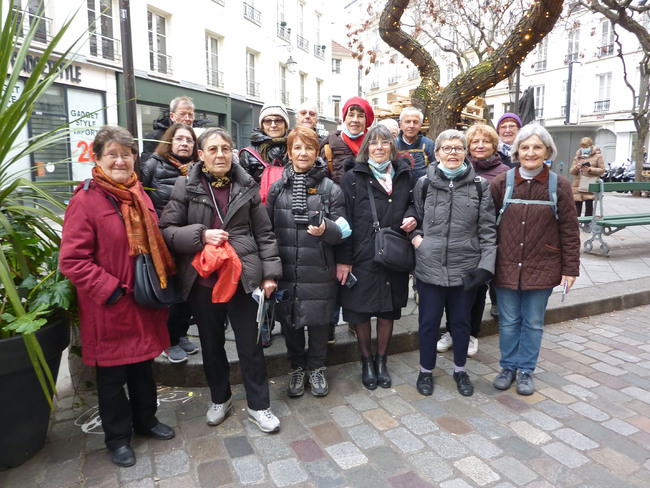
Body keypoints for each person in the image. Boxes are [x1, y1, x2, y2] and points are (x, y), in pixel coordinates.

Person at [59, 126, 176, 467]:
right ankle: (118, 438)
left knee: (143, 369)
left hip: (142, 303)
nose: (120, 160)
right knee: (112, 380)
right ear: (96, 157)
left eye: (126, 154)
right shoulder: (84, 201)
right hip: (109, 307)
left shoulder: (138, 193)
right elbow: (72, 261)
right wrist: (108, 290)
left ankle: (146, 421)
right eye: (112, 154)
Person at [159, 127, 282, 433]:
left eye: (225, 149)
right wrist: (200, 235)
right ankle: (220, 398)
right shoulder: (184, 186)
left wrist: (269, 274)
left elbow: (265, 234)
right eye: (212, 149)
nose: (219, 155)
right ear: (200, 155)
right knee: (212, 345)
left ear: (233, 152)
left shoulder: (247, 186)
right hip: (203, 281)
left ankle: (259, 406)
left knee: (250, 345)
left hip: (241, 278)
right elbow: (167, 232)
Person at [490, 124, 580, 396]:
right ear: (517, 151)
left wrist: (570, 269)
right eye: (525, 147)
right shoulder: (501, 183)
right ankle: (508, 367)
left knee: (532, 322)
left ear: (547, 151)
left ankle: (526, 370)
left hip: (543, 266)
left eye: (537, 147)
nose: (530, 152)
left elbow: (569, 229)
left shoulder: (559, 185)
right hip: (505, 266)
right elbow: (487, 226)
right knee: (507, 322)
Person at [411, 130, 496, 398]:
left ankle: (460, 370)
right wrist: (416, 240)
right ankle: (426, 371)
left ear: (465, 152)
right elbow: (413, 216)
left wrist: (485, 266)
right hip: (429, 266)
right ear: (436, 154)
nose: (452, 153)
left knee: (461, 324)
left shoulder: (480, 186)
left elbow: (488, 231)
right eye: (446, 148)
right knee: (428, 323)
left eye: (458, 148)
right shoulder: (423, 184)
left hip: (465, 268)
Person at [266, 126, 348, 398]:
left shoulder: (330, 190)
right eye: (297, 148)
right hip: (287, 268)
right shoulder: (278, 189)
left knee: (319, 322)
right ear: (289, 152)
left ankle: (316, 367)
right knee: (289, 322)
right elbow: (267, 231)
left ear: (317, 153)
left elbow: (344, 232)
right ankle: (297, 368)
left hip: (319, 268)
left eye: (309, 148)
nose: (303, 153)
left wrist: (327, 230)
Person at [336, 124, 417, 390]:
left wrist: (413, 216)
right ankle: (366, 360)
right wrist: (344, 259)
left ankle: (382, 361)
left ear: (393, 147)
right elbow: (344, 219)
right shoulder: (353, 177)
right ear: (366, 147)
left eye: (385, 142)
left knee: (387, 310)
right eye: (374, 142)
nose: (379, 147)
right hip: (361, 254)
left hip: (393, 254)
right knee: (360, 312)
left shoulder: (405, 174)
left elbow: (416, 204)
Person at [437, 124, 508, 356]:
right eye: (475, 142)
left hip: (486, 240)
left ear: (494, 146)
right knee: (454, 291)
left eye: (485, 141)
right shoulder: (458, 168)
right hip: (458, 241)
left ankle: (470, 333)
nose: (479, 145)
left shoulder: (502, 172)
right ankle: (452, 330)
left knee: (476, 290)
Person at [140, 123, 200, 363]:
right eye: (179, 139)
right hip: (163, 238)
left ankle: (181, 333)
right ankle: (169, 340)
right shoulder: (153, 165)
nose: (184, 143)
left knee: (188, 290)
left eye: (189, 140)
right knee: (170, 292)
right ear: (169, 141)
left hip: (189, 238)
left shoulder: (197, 168)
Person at [238, 100, 290, 347]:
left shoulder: (294, 147)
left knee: (287, 272)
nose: (273, 124)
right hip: (260, 220)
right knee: (265, 274)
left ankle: (287, 320)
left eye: (278, 120)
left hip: (290, 217)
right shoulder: (249, 154)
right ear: (261, 124)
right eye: (268, 120)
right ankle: (266, 324)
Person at [320, 96, 375, 185]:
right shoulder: (329, 147)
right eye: (351, 115)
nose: (355, 120)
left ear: (366, 120)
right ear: (344, 118)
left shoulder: (375, 147)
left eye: (360, 116)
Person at [141, 96, 206, 162]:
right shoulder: (155, 137)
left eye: (190, 115)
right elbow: (147, 166)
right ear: (172, 116)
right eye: (182, 114)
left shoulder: (199, 137)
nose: (187, 118)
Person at [396, 107, 436, 181]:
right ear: (400, 125)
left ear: (421, 125)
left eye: (415, 122)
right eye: (407, 121)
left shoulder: (429, 145)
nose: (411, 125)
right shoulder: (394, 146)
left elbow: (436, 171)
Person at [570, 136, 606, 217]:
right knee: (577, 205)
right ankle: (577, 224)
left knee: (589, 204)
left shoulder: (598, 156)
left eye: (586, 147)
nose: (584, 148)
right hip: (578, 184)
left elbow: (602, 170)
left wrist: (590, 169)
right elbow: (571, 171)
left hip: (589, 183)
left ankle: (588, 223)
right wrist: (577, 168)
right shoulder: (578, 156)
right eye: (583, 147)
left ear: (591, 146)